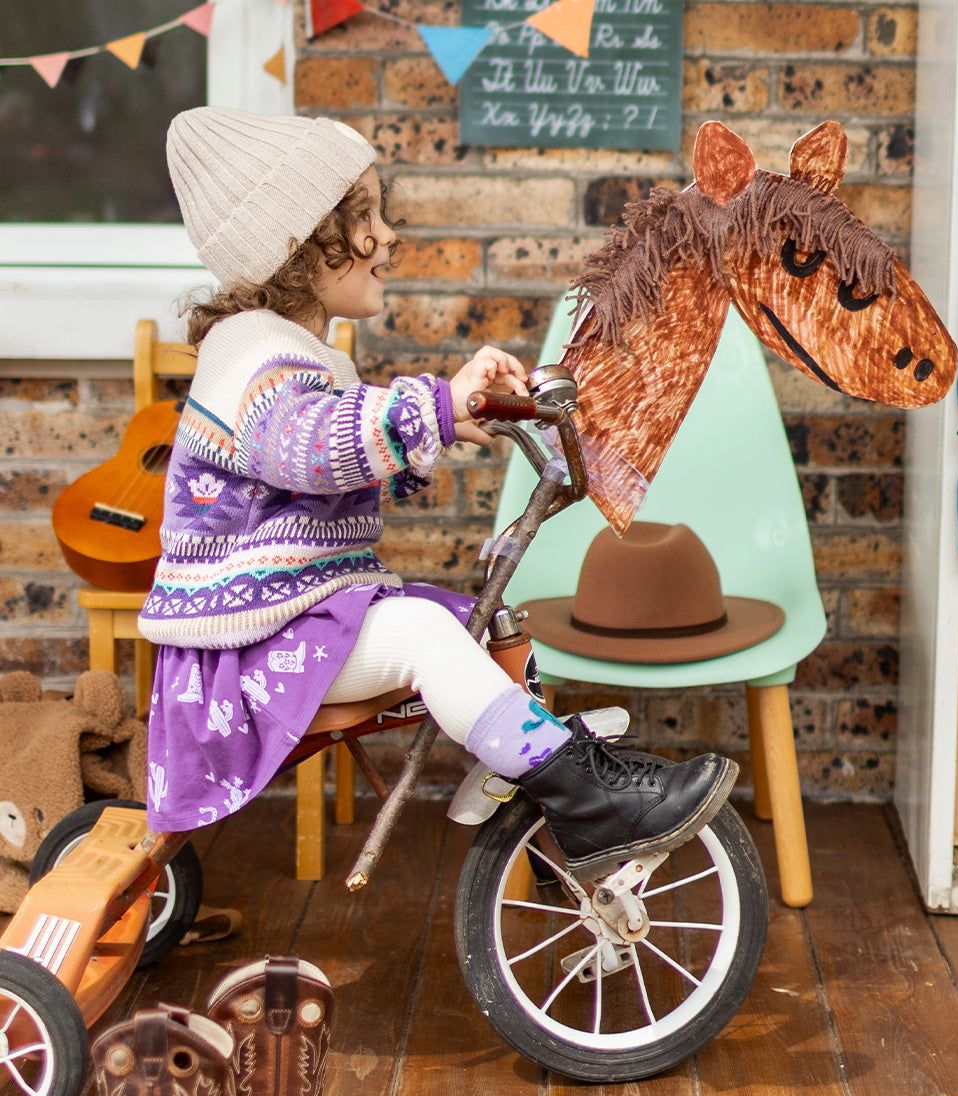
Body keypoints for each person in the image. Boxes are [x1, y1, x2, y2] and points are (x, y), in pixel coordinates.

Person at [138, 107, 736, 879]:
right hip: (245, 651)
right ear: (296, 247)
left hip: (286, 624)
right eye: (363, 218)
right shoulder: (253, 360)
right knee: (425, 635)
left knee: (461, 619)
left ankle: (544, 766)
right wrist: (440, 406)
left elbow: (339, 444)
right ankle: (586, 799)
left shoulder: (281, 350)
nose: (387, 235)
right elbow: (313, 447)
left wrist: (453, 418)